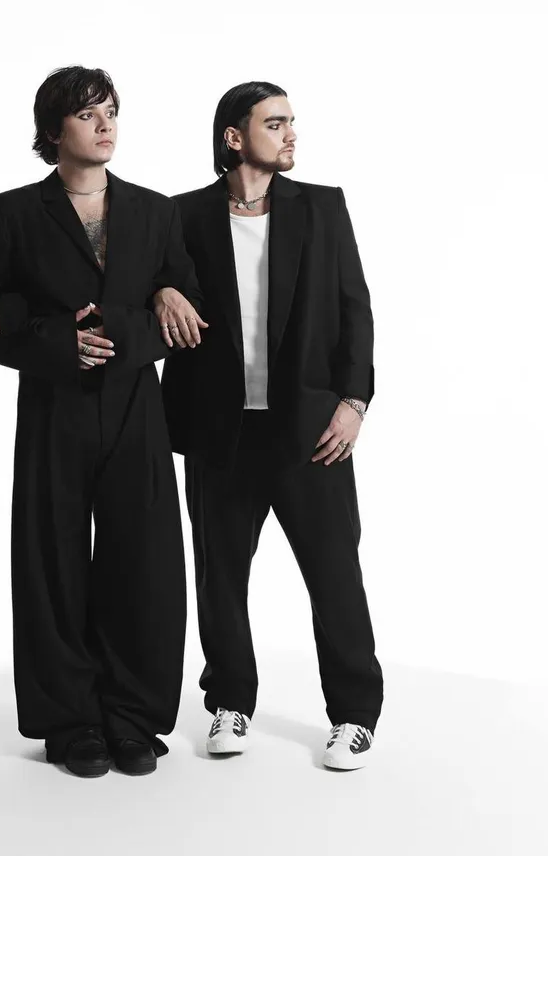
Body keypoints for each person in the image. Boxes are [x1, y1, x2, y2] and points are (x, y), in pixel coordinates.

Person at [0, 66, 205, 777]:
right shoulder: (12, 214)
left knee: (144, 563)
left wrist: (150, 308)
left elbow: (188, 315)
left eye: (111, 112)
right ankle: (70, 722)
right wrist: (55, 342)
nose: (105, 126)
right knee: (53, 563)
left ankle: (132, 716)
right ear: (53, 130)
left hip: (136, 406)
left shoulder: (156, 213)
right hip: (54, 405)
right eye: (87, 114)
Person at [159, 81, 383, 770]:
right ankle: (230, 701)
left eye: (291, 122)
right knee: (220, 579)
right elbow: (152, 284)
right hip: (219, 431)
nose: (291, 134)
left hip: (311, 431)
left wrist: (353, 402)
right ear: (234, 137)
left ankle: (354, 715)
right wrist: (162, 288)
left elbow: (355, 309)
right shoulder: (183, 215)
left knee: (335, 575)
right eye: (275, 123)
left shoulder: (321, 206)